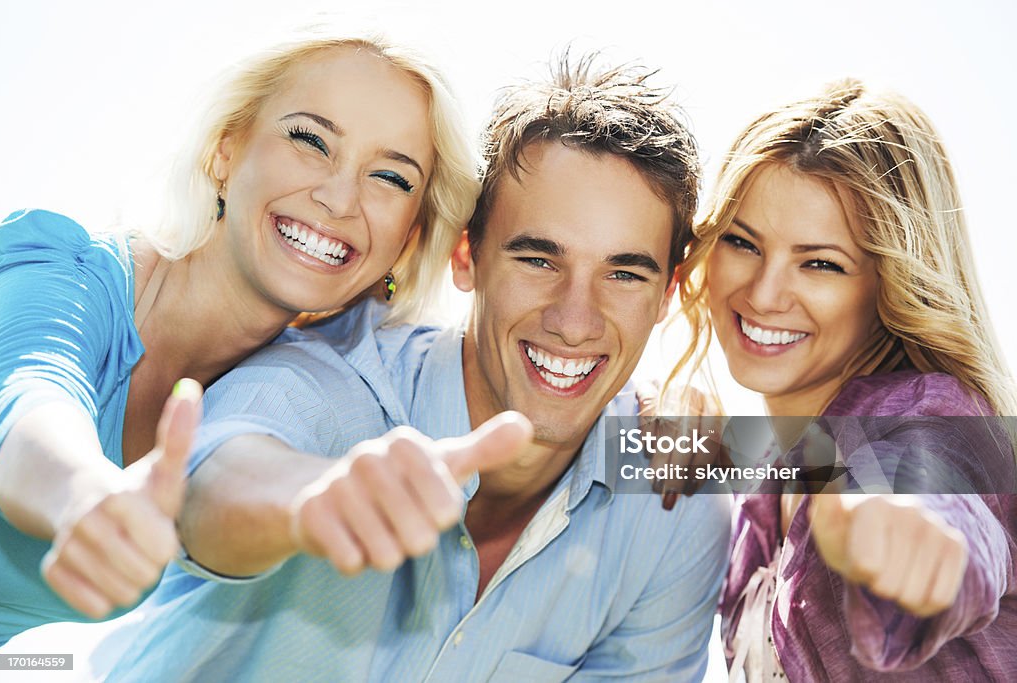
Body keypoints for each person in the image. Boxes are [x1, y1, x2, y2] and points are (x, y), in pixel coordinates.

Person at [97, 55, 730, 681]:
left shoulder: (678, 496)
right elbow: (218, 479)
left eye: (623, 274)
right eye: (538, 260)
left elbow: (815, 461)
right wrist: (310, 500)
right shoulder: (328, 375)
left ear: (666, 296)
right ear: (466, 257)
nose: (574, 319)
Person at [0, 32, 478, 648]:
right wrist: (83, 497)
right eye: (310, 141)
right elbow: (29, 396)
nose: (338, 196)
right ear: (225, 152)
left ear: (408, 240)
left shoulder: (324, 388)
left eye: (389, 177)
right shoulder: (61, 270)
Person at [665, 78, 1017, 679]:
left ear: (890, 286)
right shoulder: (779, 467)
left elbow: (941, 491)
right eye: (743, 243)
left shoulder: (936, 416)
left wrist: (918, 530)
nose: (765, 293)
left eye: (821, 263)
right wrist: (662, 424)